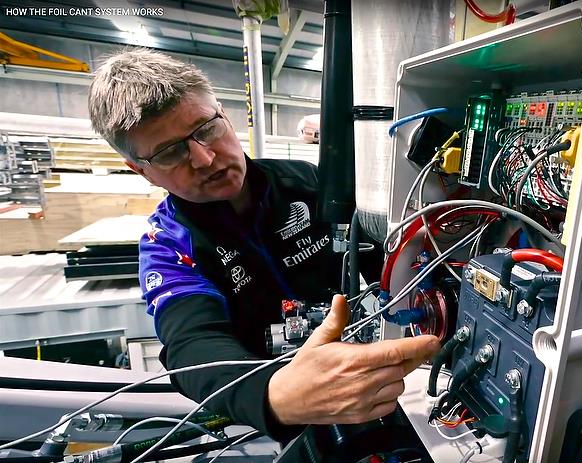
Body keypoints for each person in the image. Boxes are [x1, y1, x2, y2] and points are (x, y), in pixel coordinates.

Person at [87, 49, 439, 444]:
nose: (204, 159)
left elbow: (386, 257)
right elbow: (191, 344)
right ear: (142, 172)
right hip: (291, 409)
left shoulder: (307, 182)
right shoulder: (169, 244)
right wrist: (275, 393)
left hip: (393, 379)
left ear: (224, 114)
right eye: (170, 153)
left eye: (205, 129)